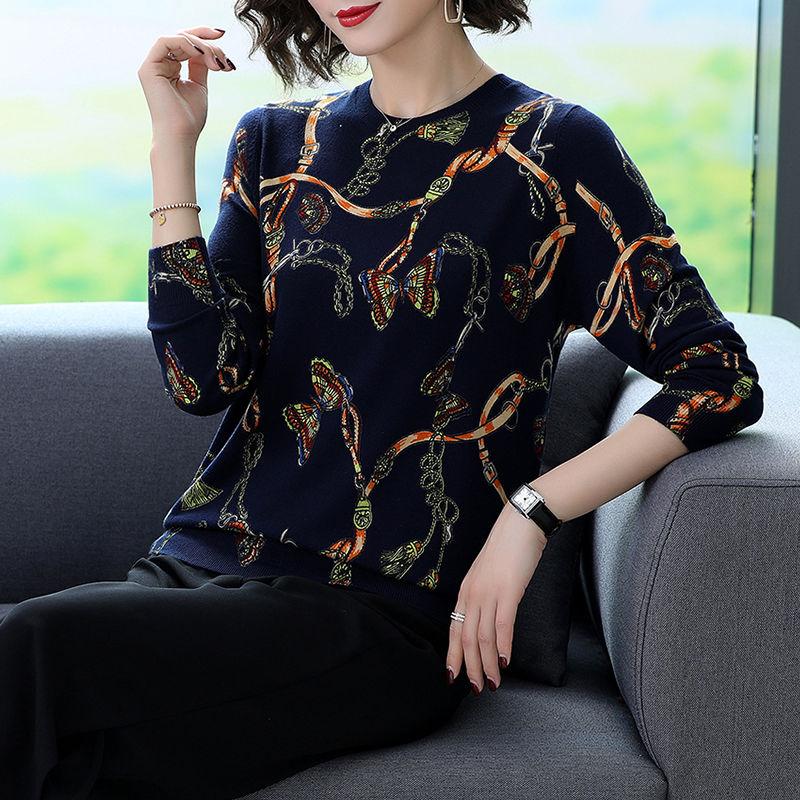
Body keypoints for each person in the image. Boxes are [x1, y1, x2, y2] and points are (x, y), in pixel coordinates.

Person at [0, 1, 765, 798]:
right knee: (71, 763)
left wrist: (532, 512)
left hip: (379, 612)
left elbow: (717, 376)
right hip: (196, 568)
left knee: (33, 642)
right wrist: (172, 143)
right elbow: (202, 379)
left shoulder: (552, 149)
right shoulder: (275, 142)